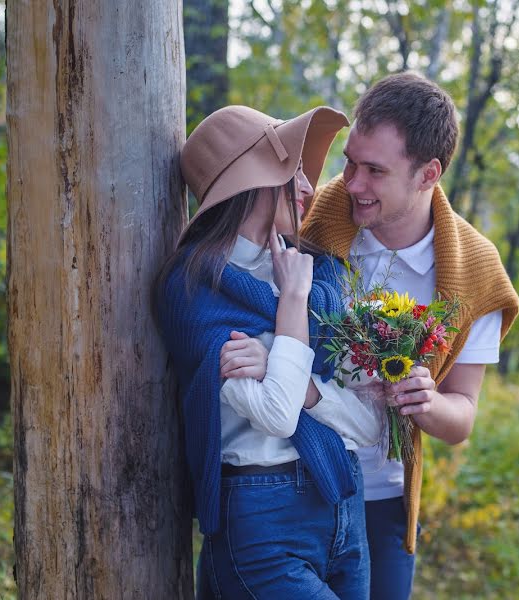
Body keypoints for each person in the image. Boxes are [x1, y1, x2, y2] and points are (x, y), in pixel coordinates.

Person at [223, 73, 519, 599]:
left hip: (383, 500)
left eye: (375, 171)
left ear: (428, 173)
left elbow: (462, 417)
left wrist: (427, 403)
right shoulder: (308, 217)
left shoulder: (474, 272)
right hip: (289, 478)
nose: (353, 183)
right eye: (350, 163)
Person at [153, 104, 383, 599]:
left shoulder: (322, 273)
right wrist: (293, 310)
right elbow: (278, 413)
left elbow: (367, 421)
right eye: (293, 172)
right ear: (252, 181)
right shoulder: (194, 285)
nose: (310, 187)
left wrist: (280, 358)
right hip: (263, 511)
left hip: (343, 495)